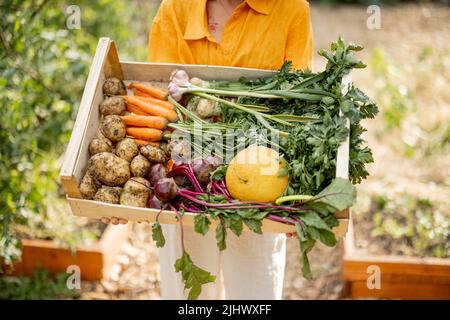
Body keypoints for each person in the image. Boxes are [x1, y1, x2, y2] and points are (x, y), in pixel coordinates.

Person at [102, 0, 312, 300]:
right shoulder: (176, 9)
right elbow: (159, 107)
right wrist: (119, 194)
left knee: (254, 297)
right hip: (187, 184)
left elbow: (300, 106)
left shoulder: (290, 10)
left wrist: (298, 199)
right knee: (190, 297)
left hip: (260, 189)